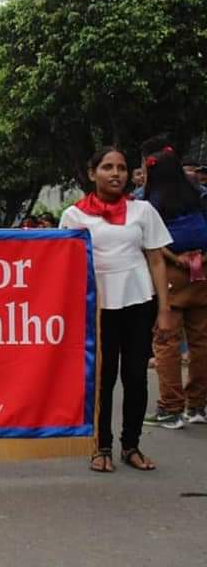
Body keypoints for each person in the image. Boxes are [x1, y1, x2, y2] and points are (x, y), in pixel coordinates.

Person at [59, 147, 171, 473]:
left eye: (122, 167)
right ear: (92, 174)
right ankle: (101, 445)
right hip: (96, 306)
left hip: (138, 300)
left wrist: (164, 309)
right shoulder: (74, 216)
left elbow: (156, 258)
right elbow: (63, 266)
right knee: (102, 378)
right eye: (107, 167)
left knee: (136, 376)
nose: (116, 173)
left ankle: (131, 445)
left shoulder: (144, 211)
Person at [138, 147, 207, 428]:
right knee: (201, 339)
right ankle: (198, 406)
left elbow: (153, 241)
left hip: (171, 273)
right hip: (202, 269)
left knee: (165, 338)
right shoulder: (198, 193)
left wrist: (175, 259)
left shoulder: (148, 200)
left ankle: (170, 407)